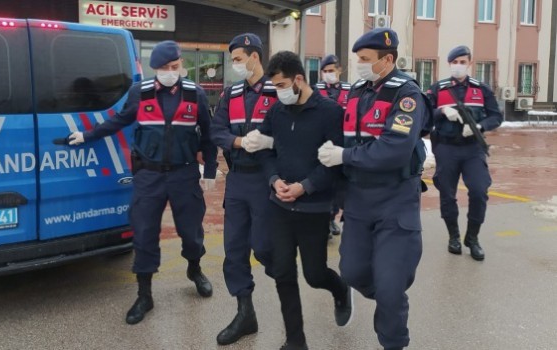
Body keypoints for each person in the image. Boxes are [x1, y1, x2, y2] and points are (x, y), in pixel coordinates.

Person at [63, 40, 218, 325]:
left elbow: (208, 136)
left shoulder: (195, 95)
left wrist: (209, 170)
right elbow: (119, 121)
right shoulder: (140, 92)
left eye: (175, 66)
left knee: (191, 231)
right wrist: (87, 135)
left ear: (182, 65)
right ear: (155, 68)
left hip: (184, 174)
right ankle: (144, 295)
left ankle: (194, 270)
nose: (171, 72)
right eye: (164, 68)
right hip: (149, 175)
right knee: (145, 232)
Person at [317, 28, 429, 350]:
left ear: (387, 59)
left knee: (391, 288)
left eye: (366, 60)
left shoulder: (405, 94)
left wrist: (345, 156)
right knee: (351, 271)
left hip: (395, 199)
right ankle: (383, 292)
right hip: (358, 199)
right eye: (358, 60)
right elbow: (343, 133)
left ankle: (393, 341)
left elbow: (394, 148)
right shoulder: (356, 92)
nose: (360, 65)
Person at [254, 50, 352, 350]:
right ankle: (295, 340)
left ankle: (339, 289)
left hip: (314, 207)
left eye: (282, 85)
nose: (278, 92)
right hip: (280, 206)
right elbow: (266, 151)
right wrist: (274, 180)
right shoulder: (276, 112)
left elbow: (335, 164)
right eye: (275, 87)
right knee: (283, 272)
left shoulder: (330, 112)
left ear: (299, 79)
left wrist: (305, 186)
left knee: (314, 274)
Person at [210, 33, 277, 346]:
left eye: (239, 59)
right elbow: (216, 129)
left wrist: (271, 141)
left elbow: (298, 130)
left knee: (264, 248)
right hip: (237, 181)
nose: (235, 65)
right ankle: (245, 313)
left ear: (255, 57)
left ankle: (307, 283)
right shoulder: (231, 93)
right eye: (233, 60)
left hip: (266, 180)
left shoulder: (280, 91)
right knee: (234, 250)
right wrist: (237, 142)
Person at [426, 45, 502, 261]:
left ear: (469, 63)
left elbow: (496, 116)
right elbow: (424, 114)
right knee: (447, 194)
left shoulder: (481, 89)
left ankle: (473, 237)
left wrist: (480, 127)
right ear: (449, 63)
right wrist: (441, 111)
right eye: (455, 62)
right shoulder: (437, 89)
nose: (458, 66)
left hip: (472, 149)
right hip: (446, 148)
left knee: (479, 190)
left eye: (462, 62)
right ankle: (454, 237)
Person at [314, 54, 350, 237]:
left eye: (331, 71)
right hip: (321, 144)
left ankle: (332, 217)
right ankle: (325, 221)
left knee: (339, 186)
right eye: (325, 71)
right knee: (323, 183)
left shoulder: (350, 90)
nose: (328, 74)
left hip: (342, 144)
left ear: (339, 70)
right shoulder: (315, 90)